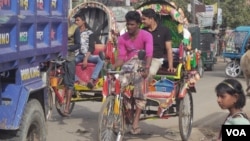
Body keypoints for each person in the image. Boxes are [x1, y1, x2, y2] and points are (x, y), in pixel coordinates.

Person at [112, 11, 153, 134]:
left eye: (132, 24)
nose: (129, 27)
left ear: (139, 24)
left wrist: (146, 68)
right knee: (117, 84)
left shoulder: (146, 35)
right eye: (127, 24)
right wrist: (112, 66)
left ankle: (135, 121)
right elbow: (122, 57)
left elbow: (149, 54)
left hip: (142, 64)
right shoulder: (122, 38)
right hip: (128, 67)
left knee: (140, 87)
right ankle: (120, 113)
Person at [141, 9, 175, 81]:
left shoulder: (165, 30)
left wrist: (170, 66)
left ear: (151, 19)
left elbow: (169, 49)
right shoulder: (143, 31)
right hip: (144, 59)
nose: (142, 21)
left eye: (144, 19)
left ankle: (143, 90)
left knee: (150, 73)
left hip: (157, 59)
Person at [74, 13, 104, 89]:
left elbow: (91, 47)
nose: (76, 22)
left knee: (100, 60)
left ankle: (92, 79)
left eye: (78, 20)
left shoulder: (90, 33)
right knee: (66, 65)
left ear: (83, 21)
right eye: (75, 20)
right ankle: (78, 81)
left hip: (87, 55)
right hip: (77, 55)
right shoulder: (74, 32)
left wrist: (86, 59)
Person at [63, 20, 81, 116]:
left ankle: (67, 107)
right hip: (59, 56)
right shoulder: (59, 26)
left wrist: (68, 48)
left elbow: (78, 45)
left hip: (70, 57)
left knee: (69, 83)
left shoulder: (75, 28)